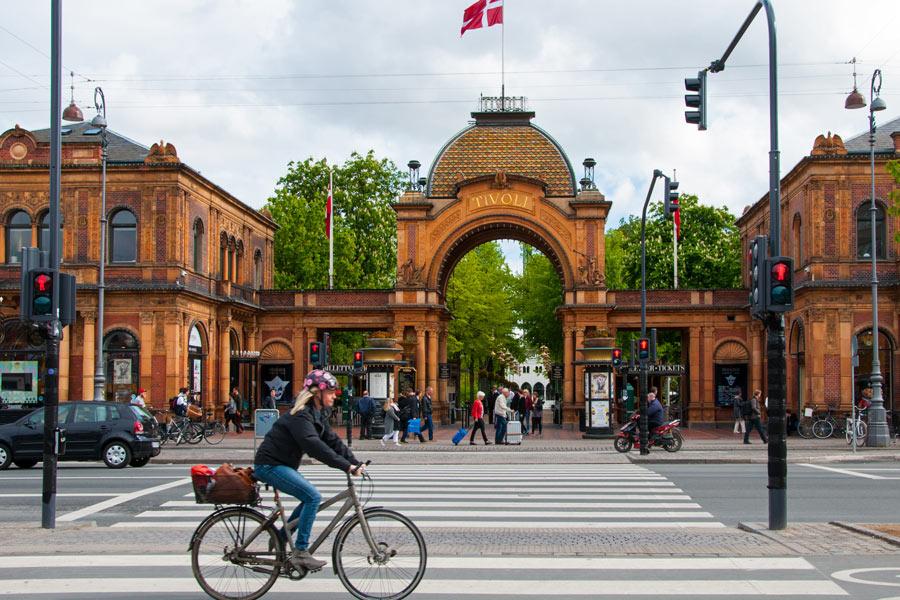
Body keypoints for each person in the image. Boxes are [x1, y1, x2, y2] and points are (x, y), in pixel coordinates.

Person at [253, 369, 365, 572]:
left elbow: (331, 440)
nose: (334, 396)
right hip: (269, 465)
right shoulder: (301, 415)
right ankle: (301, 552)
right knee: (312, 496)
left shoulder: (316, 415)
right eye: (331, 392)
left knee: (309, 497)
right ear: (318, 393)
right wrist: (345, 466)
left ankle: (280, 536)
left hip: (282, 464)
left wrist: (355, 462)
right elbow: (314, 446)